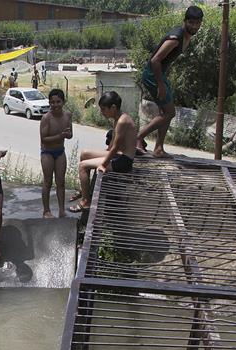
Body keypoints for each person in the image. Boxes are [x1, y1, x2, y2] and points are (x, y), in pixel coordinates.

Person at [137, 5, 203, 158]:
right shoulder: (176, 38)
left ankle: (158, 148)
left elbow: (166, 61)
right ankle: (138, 137)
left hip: (159, 75)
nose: (194, 26)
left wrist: (164, 79)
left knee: (164, 111)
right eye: (191, 23)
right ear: (185, 21)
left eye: (197, 23)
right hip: (152, 75)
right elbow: (155, 60)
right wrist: (160, 84)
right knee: (169, 113)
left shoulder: (186, 37)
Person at [70, 91, 137, 213]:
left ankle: (86, 202)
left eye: (103, 109)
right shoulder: (118, 118)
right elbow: (112, 145)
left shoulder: (123, 121)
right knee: (84, 153)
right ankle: (85, 189)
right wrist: (104, 154)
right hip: (118, 155)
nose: (101, 112)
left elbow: (116, 148)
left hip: (124, 161)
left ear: (113, 107)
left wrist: (103, 164)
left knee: (82, 166)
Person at [39, 89, 72, 218]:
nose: (55, 105)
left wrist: (67, 135)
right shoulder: (46, 118)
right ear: (49, 103)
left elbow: (70, 134)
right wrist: (60, 136)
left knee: (61, 182)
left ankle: (62, 210)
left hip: (60, 152)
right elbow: (44, 139)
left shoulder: (68, 115)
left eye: (58, 101)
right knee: (47, 182)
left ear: (63, 102)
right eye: (52, 102)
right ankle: (46, 210)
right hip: (47, 153)